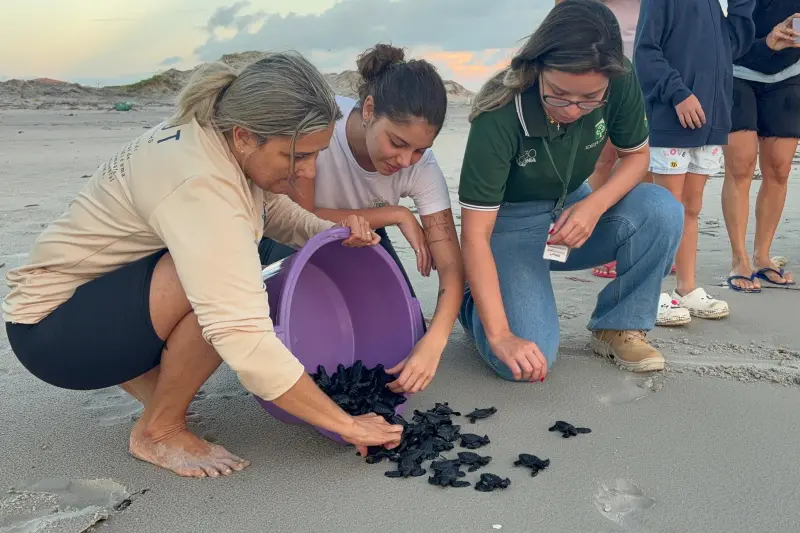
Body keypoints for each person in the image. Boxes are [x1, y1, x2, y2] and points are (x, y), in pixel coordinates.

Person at [2, 53, 405, 479]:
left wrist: (327, 235)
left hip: (99, 297)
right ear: (246, 136)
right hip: (54, 333)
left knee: (219, 267)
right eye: (298, 156)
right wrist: (346, 424)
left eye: (317, 154)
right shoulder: (201, 185)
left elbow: (269, 209)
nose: (308, 172)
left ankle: (152, 383)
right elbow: (242, 334)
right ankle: (159, 431)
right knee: (224, 285)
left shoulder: (215, 132)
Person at [457, 0, 684, 381]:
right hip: (510, 223)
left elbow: (636, 157)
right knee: (525, 364)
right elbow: (475, 234)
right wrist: (501, 336)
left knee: (661, 209)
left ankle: (618, 326)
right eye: (559, 94)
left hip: (575, 204)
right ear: (536, 67)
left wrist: (594, 205)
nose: (573, 110)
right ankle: (472, 302)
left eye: (590, 98)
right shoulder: (498, 114)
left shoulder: (620, 77)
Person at [258, 44, 465, 394]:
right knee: (299, 328)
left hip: (364, 236)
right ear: (369, 109)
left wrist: (436, 341)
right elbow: (298, 218)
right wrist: (397, 213)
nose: (405, 161)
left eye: (419, 150)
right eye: (396, 142)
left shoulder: (422, 168)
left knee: (403, 334)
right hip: (290, 238)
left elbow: (451, 266)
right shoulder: (321, 127)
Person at [634, 0, 756, 324]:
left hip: (710, 121)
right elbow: (645, 53)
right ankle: (648, 294)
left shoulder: (714, 5)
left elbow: (735, 47)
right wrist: (678, 93)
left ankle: (686, 288)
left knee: (691, 207)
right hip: (672, 118)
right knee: (667, 210)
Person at [556, 0, 648, 281]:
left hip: (647, 65)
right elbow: (563, 13)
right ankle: (600, 239)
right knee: (602, 157)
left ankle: (633, 240)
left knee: (643, 159)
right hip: (590, 64)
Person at [722, 5, 800, 292]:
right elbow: (720, 32)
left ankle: (762, 255)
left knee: (780, 169)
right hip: (736, 70)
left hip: (788, 73)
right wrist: (766, 42)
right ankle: (739, 259)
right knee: (740, 167)